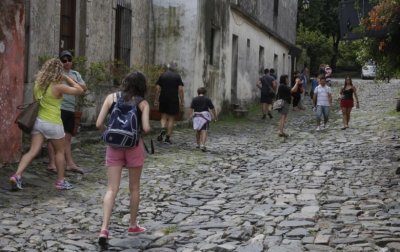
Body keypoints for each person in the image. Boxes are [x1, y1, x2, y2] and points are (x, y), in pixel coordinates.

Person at [9, 58, 84, 190]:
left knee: (32, 151)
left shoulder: (38, 84)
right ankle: (60, 181)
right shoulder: (58, 86)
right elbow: (79, 90)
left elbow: (36, 102)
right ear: (58, 72)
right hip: (54, 123)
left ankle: (17, 175)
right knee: (60, 152)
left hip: (39, 122)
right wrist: (67, 78)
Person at [96, 71, 150, 245]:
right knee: (134, 188)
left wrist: (110, 134)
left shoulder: (111, 98)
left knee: (111, 188)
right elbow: (147, 128)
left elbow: (98, 124)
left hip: (114, 146)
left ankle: (104, 228)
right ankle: (133, 225)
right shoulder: (142, 103)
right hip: (134, 146)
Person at [47, 50, 87, 174]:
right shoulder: (56, 74)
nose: (67, 62)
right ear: (60, 62)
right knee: (53, 137)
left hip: (70, 109)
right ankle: (52, 163)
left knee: (67, 138)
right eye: (64, 60)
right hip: (58, 108)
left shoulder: (75, 74)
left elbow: (84, 88)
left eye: (69, 60)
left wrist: (70, 79)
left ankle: (69, 163)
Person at [154, 64, 184, 144]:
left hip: (163, 98)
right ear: (174, 70)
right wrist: (182, 101)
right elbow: (180, 90)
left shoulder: (162, 76)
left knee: (163, 117)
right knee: (171, 119)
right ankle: (167, 137)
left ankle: (163, 128)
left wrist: (156, 99)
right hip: (173, 99)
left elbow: (157, 88)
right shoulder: (177, 77)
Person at [190, 87, 218, 151]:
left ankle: (198, 144)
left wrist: (190, 115)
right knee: (204, 130)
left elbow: (191, 108)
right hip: (204, 116)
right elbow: (212, 108)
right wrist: (215, 116)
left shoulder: (194, 99)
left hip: (196, 116)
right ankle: (203, 144)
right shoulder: (207, 99)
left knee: (198, 130)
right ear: (205, 93)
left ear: (198, 92)